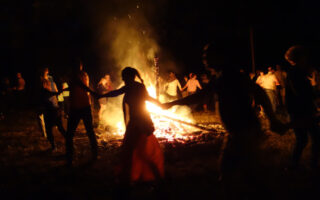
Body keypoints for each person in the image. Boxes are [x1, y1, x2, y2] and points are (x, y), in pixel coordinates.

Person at [162, 42, 287, 199]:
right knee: (231, 172)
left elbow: (258, 92)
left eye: (208, 56)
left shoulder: (230, 75)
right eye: (204, 56)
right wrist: (170, 104)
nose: (204, 59)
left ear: (220, 57)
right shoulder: (221, 76)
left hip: (244, 131)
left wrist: (273, 119)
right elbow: (202, 95)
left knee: (249, 175)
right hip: (235, 133)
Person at [99, 67, 164, 192]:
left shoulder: (132, 87)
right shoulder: (136, 86)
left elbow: (117, 93)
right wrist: (158, 103)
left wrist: (159, 103)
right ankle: (149, 178)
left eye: (124, 76)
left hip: (138, 123)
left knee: (133, 152)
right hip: (141, 122)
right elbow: (118, 93)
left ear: (129, 77)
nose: (123, 79)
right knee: (138, 151)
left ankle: (133, 179)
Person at [284, 45, 320, 169]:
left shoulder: (298, 72)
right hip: (300, 112)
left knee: (305, 139)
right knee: (310, 138)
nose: (307, 58)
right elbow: (301, 93)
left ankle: (297, 164)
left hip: (301, 110)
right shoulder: (295, 73)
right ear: (299, 58)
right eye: (304, 56)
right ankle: (309, 165)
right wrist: (315, 91)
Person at [65, 60, 99, 166]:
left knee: (70, 134)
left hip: (78, 107)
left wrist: (92, 92)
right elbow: (78, 86)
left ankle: (70, 157)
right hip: (83, 106)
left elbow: (79, 85)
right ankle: (94, 154)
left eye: (78, 65)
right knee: (89, 132)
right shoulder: (84, 74)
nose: (77, 66)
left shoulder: (75, 75)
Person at [39, 68, 66, 151]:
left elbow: (50, 93)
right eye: (45, 72)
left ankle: (66, 142)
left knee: (54, 127)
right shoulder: (44, 82)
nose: (46, 74)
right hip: (50, 107)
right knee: (51, 128)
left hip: (52, 107)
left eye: (46, 72)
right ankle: (54, 146)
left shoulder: (49, 82)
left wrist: (59, 104)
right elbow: (51, 93)